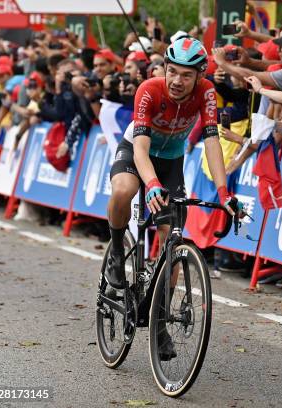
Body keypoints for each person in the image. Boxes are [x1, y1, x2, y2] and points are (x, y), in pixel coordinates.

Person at [105, 37, 235, 359]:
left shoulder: (206, 93)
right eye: (172, 71)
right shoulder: (149, 89)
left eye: (186, 75)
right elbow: (140, 149)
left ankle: (159, 322)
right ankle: (117, 252)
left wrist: (223, 192)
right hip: (138, 151)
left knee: (172, 246)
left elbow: (212, 142)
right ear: (164, 68)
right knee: (124, 190)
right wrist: (150, 183)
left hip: (172, 161)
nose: (177, 81)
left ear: (199, 76)